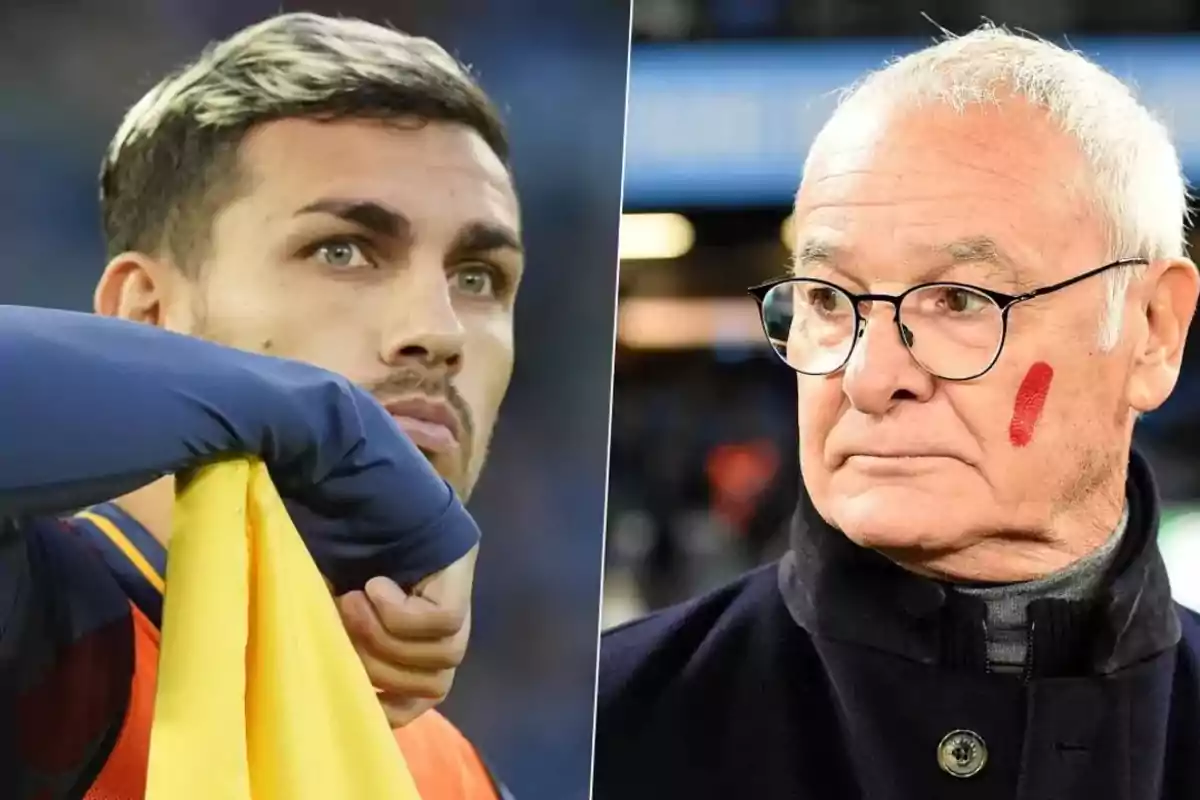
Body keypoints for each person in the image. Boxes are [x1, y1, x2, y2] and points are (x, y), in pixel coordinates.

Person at [596, 25, 1200, 800]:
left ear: (1153, 332)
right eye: (827, 298)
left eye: (960, 300)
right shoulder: (602, 736)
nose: (868, 376)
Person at [17, 12, 522, 799]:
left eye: (478, 276)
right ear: (146, 314)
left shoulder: (453, 772)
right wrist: (333, 421)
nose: (440, 330)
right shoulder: (46, 632)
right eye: (342, 251)